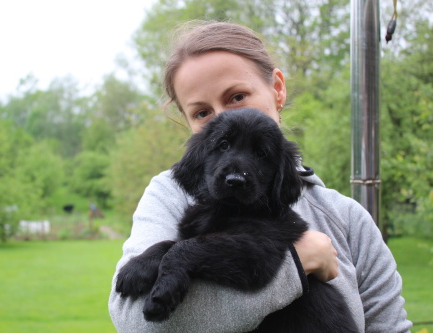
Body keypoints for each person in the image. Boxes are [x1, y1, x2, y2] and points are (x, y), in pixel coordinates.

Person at [108, 21, 412, 333]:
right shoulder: (168, 197)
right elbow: (136, 323)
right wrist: (296, 263)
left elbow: (389, 327)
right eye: (202, 113)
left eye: (237, 96)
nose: (224, 117)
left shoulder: (346, 219)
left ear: (278, 88)